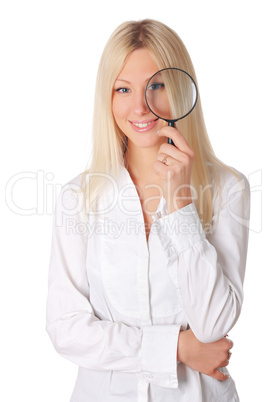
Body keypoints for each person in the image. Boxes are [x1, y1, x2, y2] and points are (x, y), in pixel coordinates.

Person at [46, 19, 250, 402]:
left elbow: (214, 324)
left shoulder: (227, 188)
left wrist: (180, 204)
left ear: (181, 88)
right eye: (123, 89)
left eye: (156, 85)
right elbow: (66, 328)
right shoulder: (79, 196)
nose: (140, 106)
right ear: (107, 97)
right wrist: (176, 348)